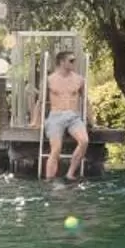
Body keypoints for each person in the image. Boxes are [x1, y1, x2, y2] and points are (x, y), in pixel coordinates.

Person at [34, 49, 90, 180]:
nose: (74, 63)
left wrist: (93, 121)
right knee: (56, 148)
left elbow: (87, 101)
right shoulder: (50, 79)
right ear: (62, 62)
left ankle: (70, 173)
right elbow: (40, 101)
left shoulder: (79, 79)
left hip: (73, 116)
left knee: (84, 141)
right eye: (71, 60)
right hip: (56, 115)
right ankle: (49, 180)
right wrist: (35, 121)